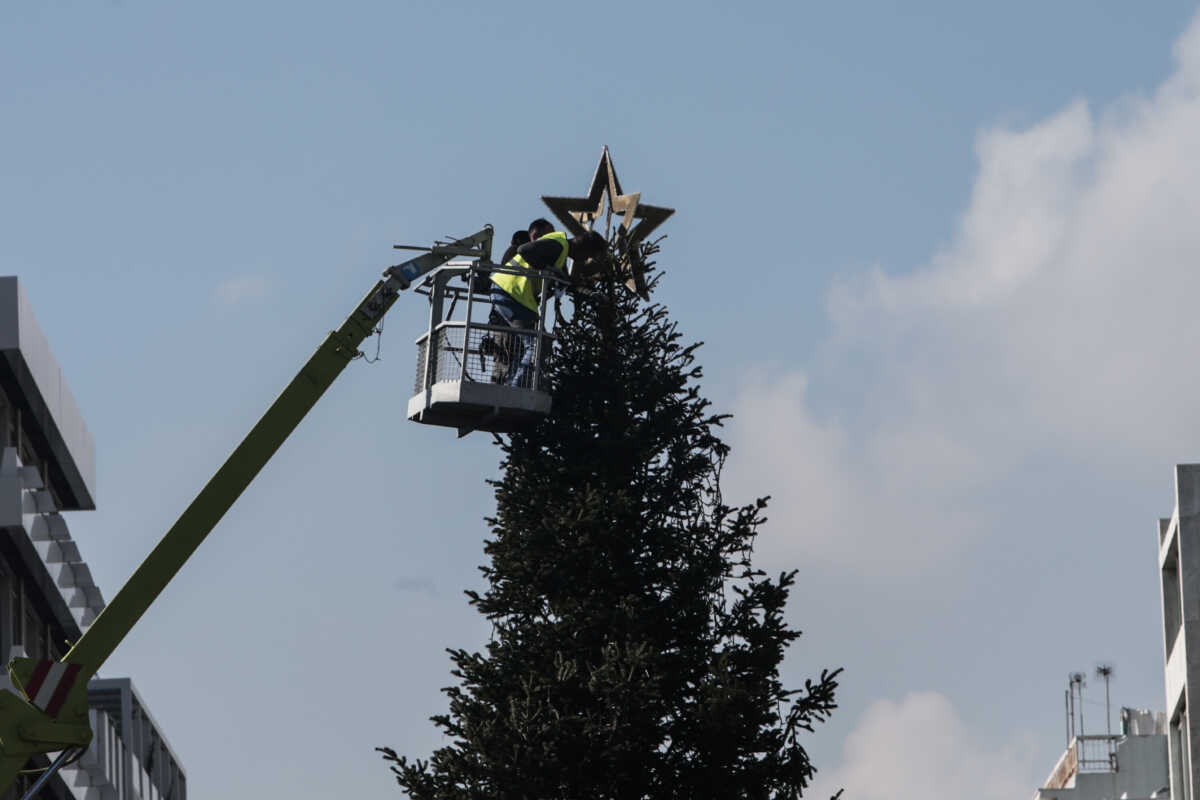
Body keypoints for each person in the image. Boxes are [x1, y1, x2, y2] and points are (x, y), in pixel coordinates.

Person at [487, 228, 606, 386]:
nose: (584, 260)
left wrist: (591, 294)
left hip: (513, 295)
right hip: (511, 293)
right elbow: (523, 249)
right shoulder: (557, 245)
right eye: (587, 256)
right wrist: (548, 270)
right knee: (538, 344)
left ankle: (513, 383)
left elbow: (568, 283)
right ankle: (515, 388)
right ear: (583, 247)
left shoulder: (561, 253)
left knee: (533, 345)